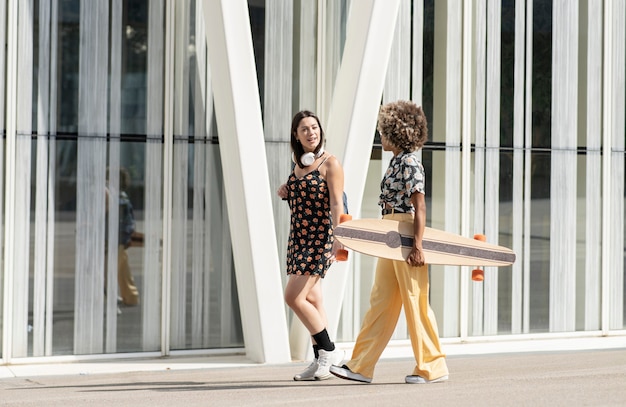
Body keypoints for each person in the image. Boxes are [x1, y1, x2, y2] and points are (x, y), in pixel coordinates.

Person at [330, 100, 449, 384]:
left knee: (415, 300)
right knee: (381, 300)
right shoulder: (397, 161)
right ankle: (360, 366)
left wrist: (418, 245)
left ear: (396, 133)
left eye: (383, 131)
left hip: (406, 234)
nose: (380, 136)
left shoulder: (409, 162)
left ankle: (433, 366)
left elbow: (419, 207)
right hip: (390, 234)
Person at [277, 110, 346, 381]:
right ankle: (321, 362)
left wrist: (339, 238)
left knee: (292, 297)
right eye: (304, 129)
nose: (310, 133)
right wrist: (285, 189)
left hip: (319, 239)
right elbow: (302, 192)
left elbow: (337, 203)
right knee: (314, 300)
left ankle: (329, 351)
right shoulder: (298, 163)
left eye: (314, 127)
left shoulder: (331, 164)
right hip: (298, 238)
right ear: (296, 135)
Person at [106, 167, 140, 307]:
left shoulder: (116, 198)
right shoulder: (122, 196)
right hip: (121, 239)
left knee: (110, 270)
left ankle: (110, 296)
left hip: (116, 239)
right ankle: (131, 296)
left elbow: (117, 220)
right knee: (123, 270)